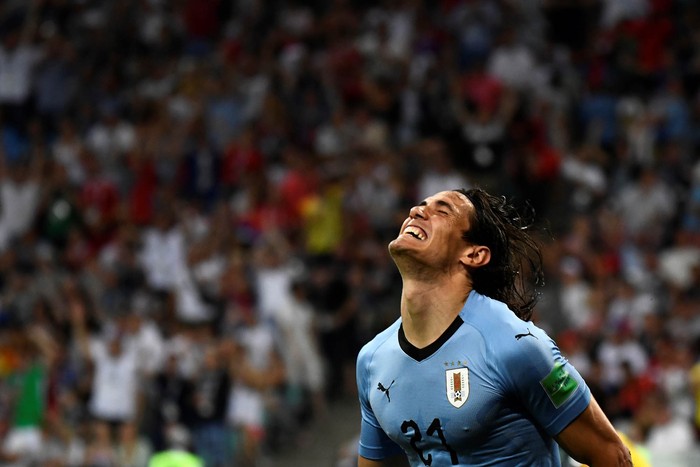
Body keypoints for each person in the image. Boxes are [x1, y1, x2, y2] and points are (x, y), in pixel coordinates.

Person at [356, 188, 631, 466]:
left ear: (474, 254)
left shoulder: (516, 345)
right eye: (420, 206)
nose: (416, 211)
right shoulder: (372, 360)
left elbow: (612, 455)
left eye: (442, 211)